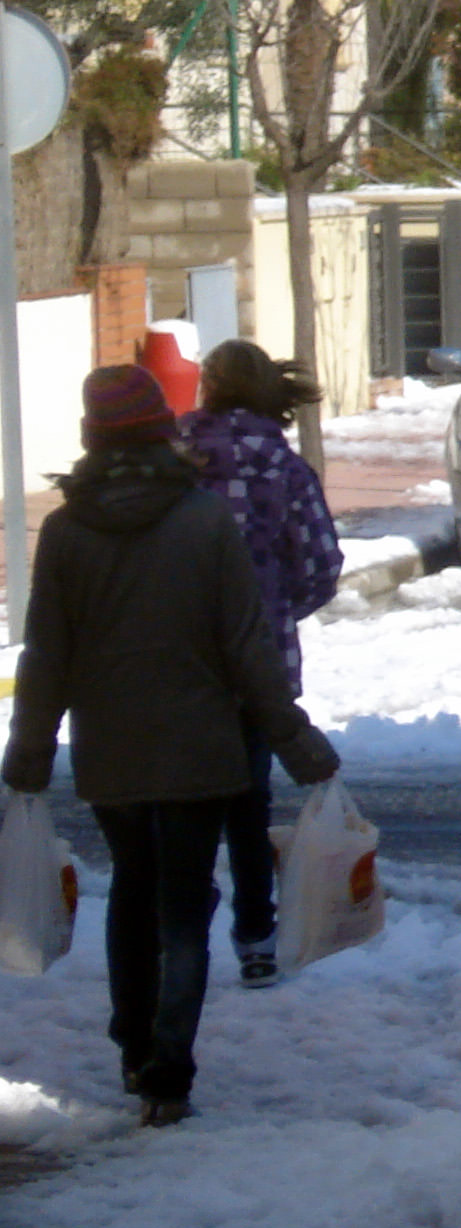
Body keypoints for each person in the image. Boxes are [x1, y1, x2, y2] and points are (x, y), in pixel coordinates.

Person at [4, 364, 339, 1128]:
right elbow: (247, 647)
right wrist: (294, 740)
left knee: (133, 888)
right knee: (185, 906)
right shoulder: (203, 521)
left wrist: (29, 754)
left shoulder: (65, 532)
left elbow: (46, 655)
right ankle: (168, 1071)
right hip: (200, 748)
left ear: (91, 438)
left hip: (110, 752)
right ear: (162, 430)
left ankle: (132, 1046)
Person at [185, 340, 346, 990]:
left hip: (180, 659)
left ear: (209, 387)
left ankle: (181, 933)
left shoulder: (175, 459)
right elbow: (322, 564)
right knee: (249, 804)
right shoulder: (285, 468)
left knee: (187, 801)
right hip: (259, 665)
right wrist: (277, 609)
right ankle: (256, 938)